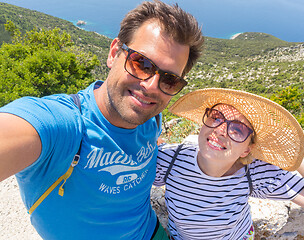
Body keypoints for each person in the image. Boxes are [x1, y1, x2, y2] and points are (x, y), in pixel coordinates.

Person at [0, 1, 204, 239]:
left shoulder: (151, 118)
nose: (150, 87)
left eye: (169, 80)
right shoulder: (62, 125)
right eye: (142, 63)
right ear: (114, 53)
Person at [154, 88, 304, 240]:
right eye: (216, 118)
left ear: (247, 149)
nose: (221, 130)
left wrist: (294, 158)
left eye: (238, 130)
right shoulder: (171, 159)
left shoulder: (255, 174)